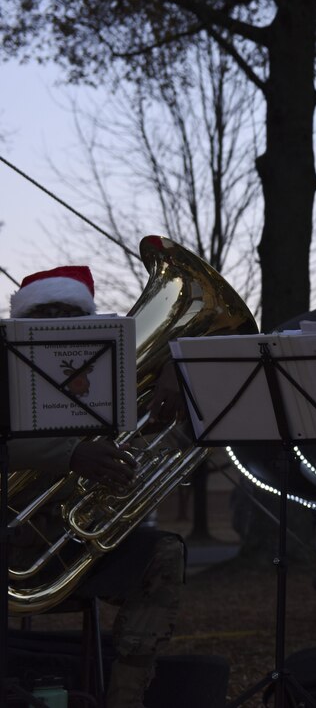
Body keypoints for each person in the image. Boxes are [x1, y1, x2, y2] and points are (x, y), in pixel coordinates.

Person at [7, 265, 185, 708]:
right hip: (12, 532)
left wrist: (176, 369)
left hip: (71, 539)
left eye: (70, 317)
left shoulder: (109, 368)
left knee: (164, 554)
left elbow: (155, 442)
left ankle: (125, 696)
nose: (57, 327)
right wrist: (67, 454)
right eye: (44, 318)